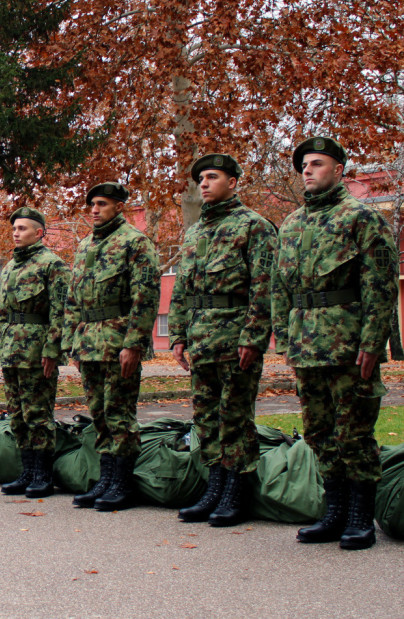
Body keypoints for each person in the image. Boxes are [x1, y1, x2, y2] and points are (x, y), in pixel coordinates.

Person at [273, 137, 398, 550]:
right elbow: (280, 287)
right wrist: (284, 338)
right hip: (306, 345)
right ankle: (335, 510)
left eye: (317, 163)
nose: (307, 170)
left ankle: (360, 517)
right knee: (318, 431)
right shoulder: (292, 224)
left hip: (348, 345)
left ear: (339, 170)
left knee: (354, 432)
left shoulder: (361, 218)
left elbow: (380, 285)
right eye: (304, 165)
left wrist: (372, 341)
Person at [169, 154, 278, 526]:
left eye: (212, 177)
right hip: (201, 340)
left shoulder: (254, 226)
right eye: (200, 178)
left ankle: (236, 492)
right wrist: (178, 335)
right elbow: (182, 290)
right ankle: (214, 487)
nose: (203, 183)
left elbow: (264, 288)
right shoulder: (195, 232)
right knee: (205, 419)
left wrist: (253, 337)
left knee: (235, 417)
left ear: (232, 182)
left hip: (235, 339)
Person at [64, 182, 160, 511]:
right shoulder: (84, 245)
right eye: (92, 204)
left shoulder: (135, 242)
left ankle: (122, 482)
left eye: (102, 204)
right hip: (89, 341)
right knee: (99, 413)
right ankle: (106, 478)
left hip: (118, 339)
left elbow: (145, 296)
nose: (94, 210)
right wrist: (72, 343)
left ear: (119, 207)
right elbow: (73, 299)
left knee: (119, 412)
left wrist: (134, 344)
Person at [0, 207, 69, 498]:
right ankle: (26, 471)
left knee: (37, 412)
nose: (16, 233)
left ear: (39, 233)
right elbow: (2, 312)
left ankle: (42, 475)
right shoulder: (9, 267)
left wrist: (52, 350)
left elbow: (60, 311)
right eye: (14, 228)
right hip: (11, 350)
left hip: (37, 350)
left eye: (22, 228)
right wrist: (0, 345)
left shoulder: (53, 265)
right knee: (17, 413)